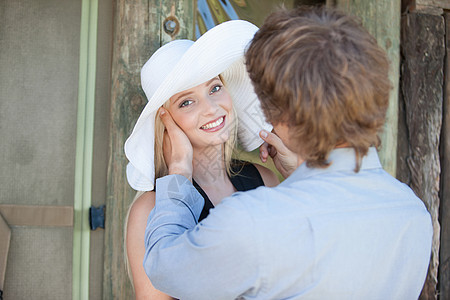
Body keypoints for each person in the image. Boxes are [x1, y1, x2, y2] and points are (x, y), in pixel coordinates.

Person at [142, 6, 433, 300]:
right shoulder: (412, 213)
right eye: (187, 102)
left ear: (276, 111)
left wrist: (178, 170)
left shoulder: (253, 220)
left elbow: (163, 267)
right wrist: (298, 176)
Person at [124, 20, 279, 299]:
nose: (211, 108)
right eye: (186, 101)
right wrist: (179, 169)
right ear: (165, 120)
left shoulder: (265, 179)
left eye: (215, 88)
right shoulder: (150, 209)